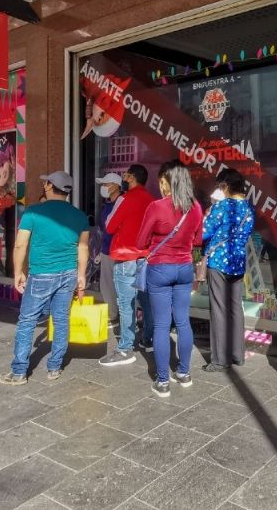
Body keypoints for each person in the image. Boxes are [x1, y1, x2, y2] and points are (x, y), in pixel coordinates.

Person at [0, 172, 89, 385]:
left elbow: (20, 244)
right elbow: (83, 247)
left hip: (41, 274)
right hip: (68, 273)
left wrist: (18, 271)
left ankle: (19, 371)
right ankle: (55, 367)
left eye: (46, 182)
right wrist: (81, 275)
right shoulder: (80, 216)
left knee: (27, 320)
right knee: (60, 319)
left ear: (49, 186)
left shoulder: (33, 212)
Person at [134, 161, 203, 397]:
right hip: (184, 268)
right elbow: (198, 240)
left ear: (169, 182)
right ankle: (184, 373)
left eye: (162, 182)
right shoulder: (195, 207)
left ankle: (163, 381)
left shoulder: (156, 207)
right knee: (183, 321)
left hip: (160, 269)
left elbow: (141, 242)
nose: (160, 186)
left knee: (162, 324)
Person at [99, 165, 156, 366]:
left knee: (126, 304)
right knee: (146, 301)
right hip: (145, 257)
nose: (124, 177)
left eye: (126, 175)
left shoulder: (125, 198)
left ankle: (125, 348)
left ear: (130, 177)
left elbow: (110, 225)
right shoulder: (151, 200)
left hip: (126, 256)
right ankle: (148, 338)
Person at [202, 168, 256, 372]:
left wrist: (208, 213)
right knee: (235, 308)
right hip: (237, 261)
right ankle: (237, 354)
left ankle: (219, 359)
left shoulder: (222, 207)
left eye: (219, 186)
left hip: (218, 262)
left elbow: (204, 233)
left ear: (224, 186)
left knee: (218, 310)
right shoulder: (249, 209)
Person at [95, 172, 123, 331]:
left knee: (117, 286)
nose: (103, 187)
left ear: (116, 186)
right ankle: (113, 315)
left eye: (106, 184)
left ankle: (117, 316)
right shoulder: (107, 206)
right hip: (107, 250)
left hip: (118, 251)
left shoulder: (122, 203)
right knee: (107, 286)